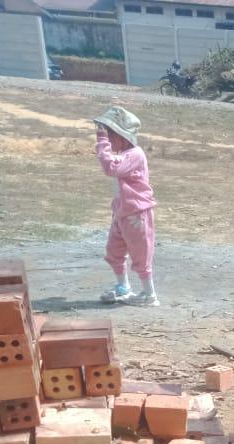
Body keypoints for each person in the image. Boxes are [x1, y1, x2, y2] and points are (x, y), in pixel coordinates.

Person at [94, 106, 158, 306]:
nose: (109, 140)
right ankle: (123, 286)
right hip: (122, 211)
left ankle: (150, 295)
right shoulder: (124, 153)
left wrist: (101, 141)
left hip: (136, 213)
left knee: (140, 253)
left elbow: (110, 168)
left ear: (122, 136)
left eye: (111, 135)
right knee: (114, 251)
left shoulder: (134, 154)